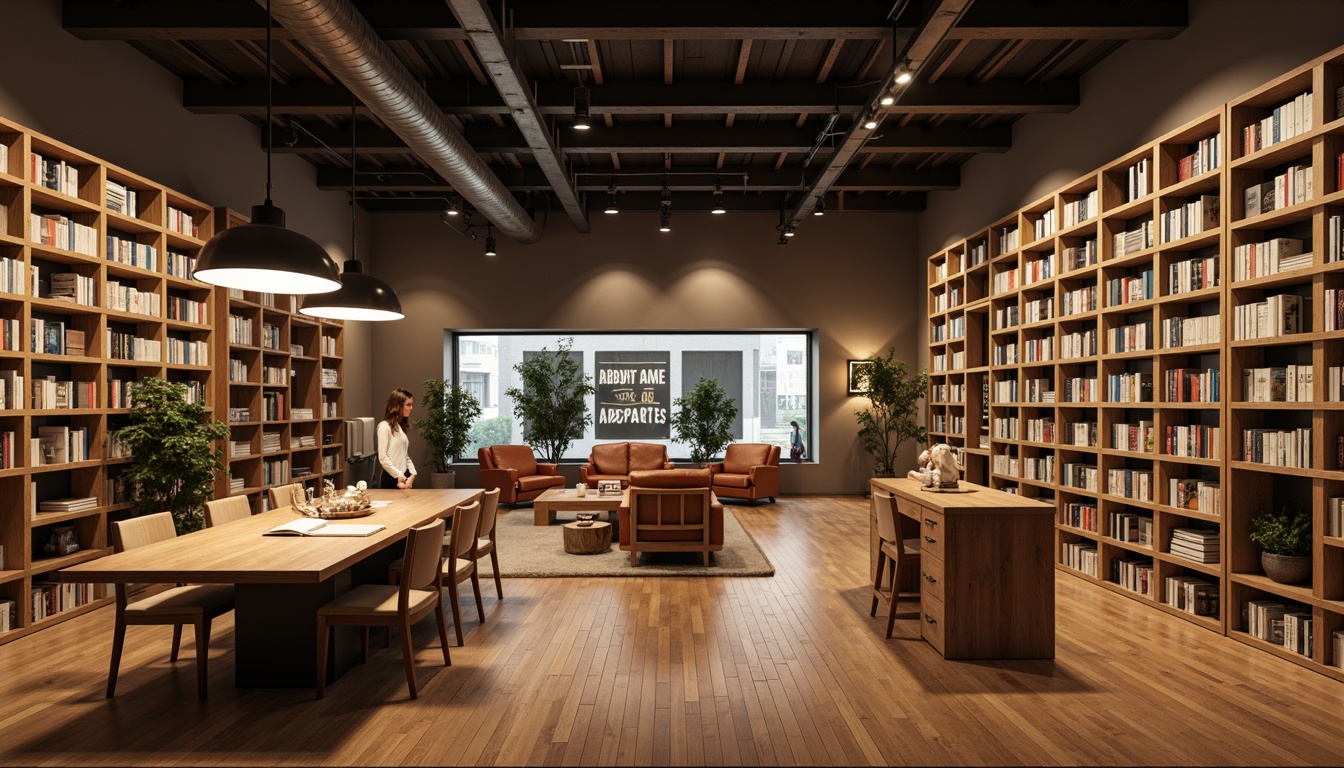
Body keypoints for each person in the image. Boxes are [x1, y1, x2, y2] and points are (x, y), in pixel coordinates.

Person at [377, 388, 418, 490]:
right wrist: (399, 476)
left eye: (411, 404)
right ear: (397, 406)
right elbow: (383, 457)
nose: (411, 408)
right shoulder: (384, 426)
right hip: (391, 478)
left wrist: (412, 474)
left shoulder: (399, 427)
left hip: (404, 477)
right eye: (408, 405)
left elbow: (405, 455)